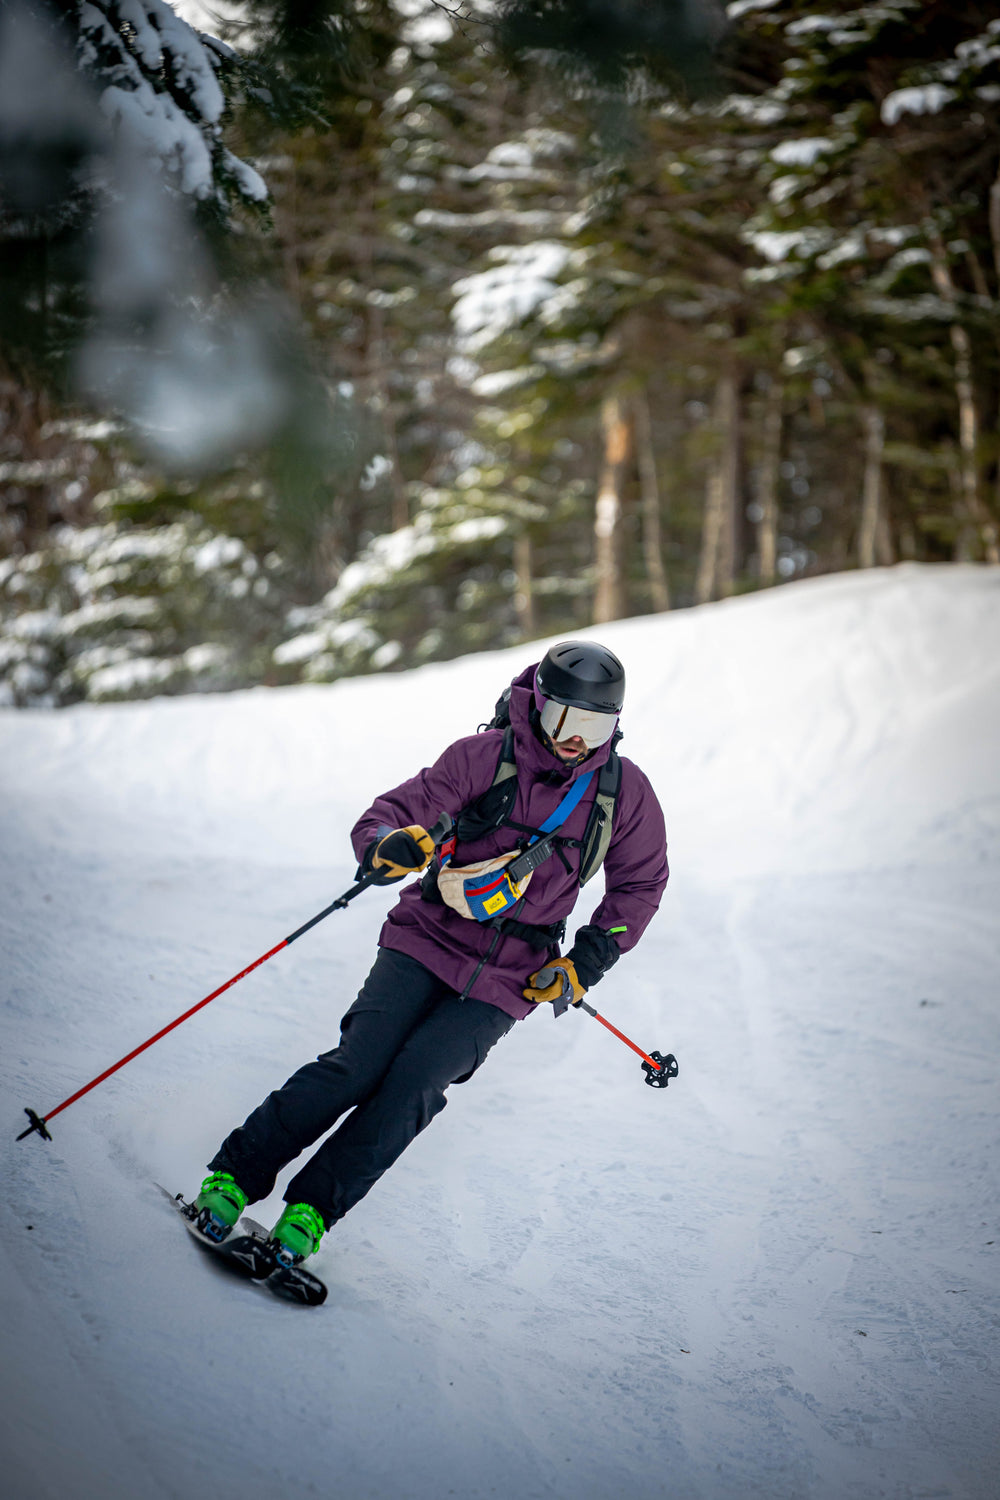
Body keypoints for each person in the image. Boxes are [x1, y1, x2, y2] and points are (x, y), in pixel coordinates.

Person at [191, 641, 669, 1267]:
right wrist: (386, 846)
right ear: (539, 706)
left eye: (595, 725)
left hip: (513, 977)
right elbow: (391, 813)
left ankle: (311, 1211)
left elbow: (641, 884)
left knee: (414, 1085)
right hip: (426, 937)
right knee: (357, 1065)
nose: (577, 740)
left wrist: (584, 963)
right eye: (564, 721)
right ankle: (233, 1176)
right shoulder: (483, 757)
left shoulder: (622, 792)